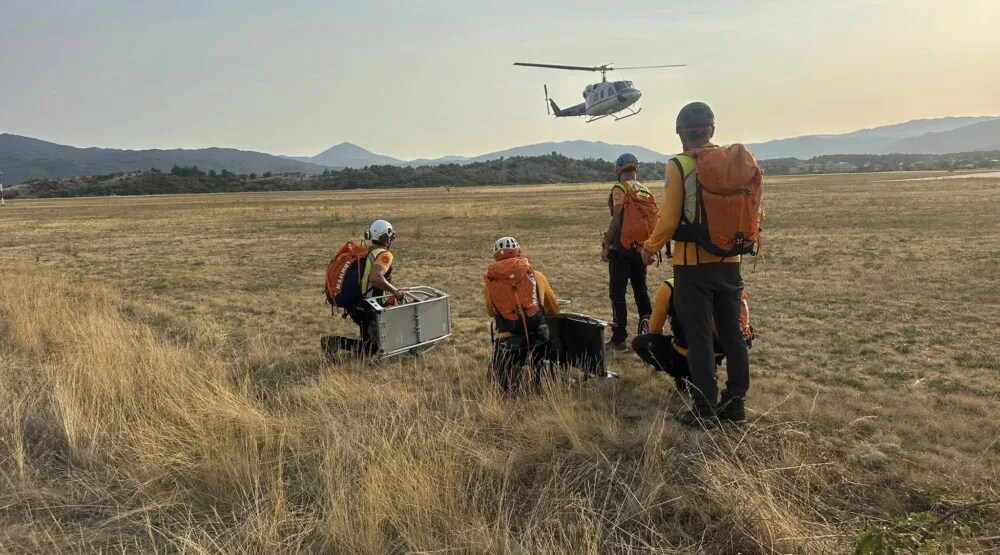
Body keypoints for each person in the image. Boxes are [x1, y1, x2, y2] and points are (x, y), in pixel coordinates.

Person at [640, 102, 764, 429]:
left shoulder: (679, 165)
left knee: (699, 337)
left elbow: (667, 219)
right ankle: (735, 403)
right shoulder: (735, 163)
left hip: (692, 266)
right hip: (731, 261)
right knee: (733, 334)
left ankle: (704, 407)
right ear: (711, 130)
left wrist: (650, 248)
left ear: (681, 134)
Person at [632, 277, 754, 394]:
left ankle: (680, 374)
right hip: (720, 350)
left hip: (687, 351)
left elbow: (654, 329)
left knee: (639, 343)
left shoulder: (670, 286)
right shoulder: (729, 284)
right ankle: (726, 387)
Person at [484, 237, 560, 396]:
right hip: (539, 334)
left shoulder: (490, 282)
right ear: (519, 253)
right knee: (547, 342)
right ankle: (540, 383)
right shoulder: (537, 275)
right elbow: (553, 308)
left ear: (496, 257)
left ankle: (506, 389)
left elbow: (491, 312)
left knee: (502, 350)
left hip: (508, 339)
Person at [321, 219, 404, 357]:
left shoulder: (368, 252)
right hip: (368, 305)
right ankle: (336, 343)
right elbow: (376, 278)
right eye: (391, 236)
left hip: (356, 304)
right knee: (375, 349)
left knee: (369, 344)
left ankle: (334, 342)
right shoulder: (384, 254)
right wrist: (395, 291)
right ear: (386, 237)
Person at [601, 152, 657, 351]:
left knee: (617, 294)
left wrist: (606, 245)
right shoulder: (644, 189)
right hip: (640, 248)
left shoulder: (620, 188)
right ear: (636, 169)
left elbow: (616, 219)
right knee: (641, 292)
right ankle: (648, 335)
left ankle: (619, 338)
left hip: (621, 249)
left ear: (618, 170)